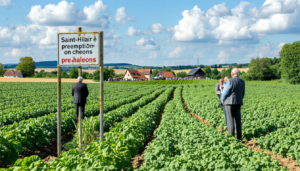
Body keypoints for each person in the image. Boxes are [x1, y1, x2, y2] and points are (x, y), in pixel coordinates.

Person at [221, 68, 245, 140]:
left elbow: (225, 92)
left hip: (229, 103)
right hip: (238, 102)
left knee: (230, 120)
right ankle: (239, 137)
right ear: (238, 73)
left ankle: (231, 138)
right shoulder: (242, 81)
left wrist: (222, 101)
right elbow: (242, 94)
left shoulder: (229, 81)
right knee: (238, 120)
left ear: (232, 73)